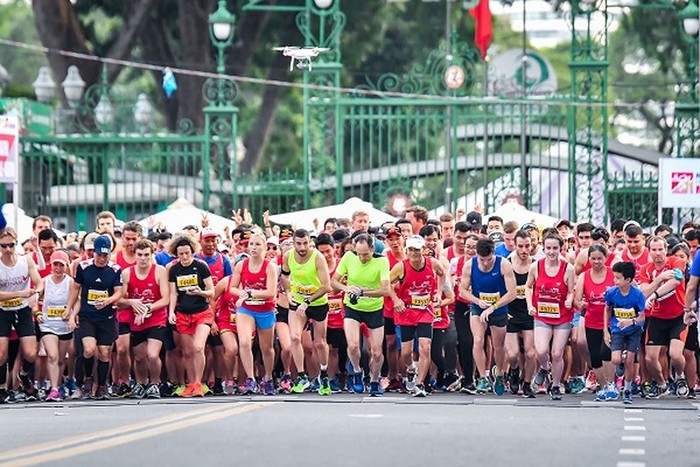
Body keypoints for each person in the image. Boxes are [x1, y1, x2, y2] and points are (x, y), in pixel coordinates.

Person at [331, 233, 390, 396]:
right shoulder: (349, 257)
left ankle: (374, 380)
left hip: (374, 308)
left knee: (376, 352)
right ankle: (357, 371)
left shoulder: (381, 261)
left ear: (372, 249)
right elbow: (333, 281)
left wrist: (363, 292)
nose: (362, 258)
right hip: (353, 307)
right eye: (359, 254)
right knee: (353, 345)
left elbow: (386, 290)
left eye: (366, 254)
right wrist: (347, 289)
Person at [67, 235, 123, 400]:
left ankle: (102, 386)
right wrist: (70, 311)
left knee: (104, 352)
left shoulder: (114, 269)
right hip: (87, 316)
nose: (101, 258)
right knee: (89, 349)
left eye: (105, 255)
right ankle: (88, 379)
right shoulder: (83, 267)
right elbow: (75, 290)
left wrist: (108, 300)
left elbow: (119, 291)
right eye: (99, 255)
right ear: (93, 253)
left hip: (106, 317)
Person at [390, 235, 446, 396]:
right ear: (406, 251)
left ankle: (420, 384)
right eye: (411, 250)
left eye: (418, 249)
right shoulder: (401, 267)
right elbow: (385, 284)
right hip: (407, 311)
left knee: (425, 348)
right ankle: (411, 368)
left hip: (425, 310)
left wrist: (439, 292)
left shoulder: (432, 263)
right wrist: (396, 299)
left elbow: (442, 274)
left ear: (424, 250)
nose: (414, 253)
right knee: (406, 352)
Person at [460, 238, 517, 395]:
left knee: (498, 345)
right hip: (479, 306)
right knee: (478, 340)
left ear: (494, 253)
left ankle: (499, 373)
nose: (485, 263)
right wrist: (478, 301)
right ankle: (483, 377)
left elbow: (512, 293)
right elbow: (462, 290)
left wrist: (494, 307)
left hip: (498, 307)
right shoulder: (470, 265)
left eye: (488, 259)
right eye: (482, 259)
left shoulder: (504, 264)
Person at [281, 229, 332, 395]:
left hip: (317, 302)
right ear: (294, 243)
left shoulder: (317, 257)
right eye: (298, 244)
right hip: (298, 300)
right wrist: (288, 293)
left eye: (305, 243)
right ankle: (302, 376)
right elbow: (285, 276)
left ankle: (324, 375)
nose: (302, 247)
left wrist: (307, 301)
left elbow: (326, 286)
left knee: (319, 343)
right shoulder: (288, 256)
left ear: (310, 242)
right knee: (294, 337)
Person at [526, 232, 576, 400]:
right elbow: (528, 287)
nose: (551, 252)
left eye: (555, 248)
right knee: (540, 350)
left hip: (562, 315)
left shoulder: (567, 268)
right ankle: (545, 368)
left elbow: (571, 291)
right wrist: (530, 305)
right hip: (542, 314)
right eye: (548, 248)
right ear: (543, 248)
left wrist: (569, 300)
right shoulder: (536, 266)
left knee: (556, 353)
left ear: (560, 249)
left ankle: (555, 385)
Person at [228, 233, 278, 395]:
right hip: (247, 308)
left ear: (264, 247)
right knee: (244, 342)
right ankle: (250, 379)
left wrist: (250, 293)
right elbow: (233, 288)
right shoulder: (241, 265)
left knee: (267, 348)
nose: (253, 247)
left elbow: (271, 292)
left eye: (257, 244)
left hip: (265, 309)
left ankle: (268, 378)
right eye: (251, 244)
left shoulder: (269, 266)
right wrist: (243, 293)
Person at [119, 239, 170, 399]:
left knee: (153, 355)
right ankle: (141, 383)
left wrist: (148, 308)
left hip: (156, 318)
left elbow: (166, 298)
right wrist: (131, 302)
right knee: (140, 357)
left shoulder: (159, 271)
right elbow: (119, 300)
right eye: (140, 255)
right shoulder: (127, 273)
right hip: (136, 320)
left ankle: (155, 383)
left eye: (146, 255)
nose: (143, 258)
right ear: (135, 255)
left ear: (152, 254)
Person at [639, 236, 688, 398]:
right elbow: (643, 292)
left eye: (661, 249)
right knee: (650, 358)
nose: (658, 253)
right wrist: (659, 279)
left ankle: (680, 377)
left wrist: (654, 295)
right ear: (649, 251)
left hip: (678, 316)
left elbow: (675, 282)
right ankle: (661, 384)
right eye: (654, 250)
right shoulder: (646, 269)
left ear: (665, 249)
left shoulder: (675, 262)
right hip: (657, 317)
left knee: (675, 354)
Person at [167, 235, 215, 398]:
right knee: (187, 352)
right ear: (176, 254)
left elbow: (212, 291)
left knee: (198, 347)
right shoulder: (174, 270)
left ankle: (198, 383)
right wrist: (171, 312)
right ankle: (191, 382)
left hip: (202, 312)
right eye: (181, 254)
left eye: (187, 253)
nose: (185, 257)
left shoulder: (201, 266)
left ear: (192, 252)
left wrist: (200, 292)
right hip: (183, 314)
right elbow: (173, 293)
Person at [574, 244, 616, 401]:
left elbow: (626, 290)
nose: (597, 262)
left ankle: (611, 384)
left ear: (605, 258)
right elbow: (577, 300)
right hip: (591, 321)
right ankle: (603, 386)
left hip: (610, 322)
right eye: (593, 259)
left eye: (600, 258)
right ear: (588, 259)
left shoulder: (613, 274)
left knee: (607, 352)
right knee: (595, 356)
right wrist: (581, 304)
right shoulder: (584, 276)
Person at [604, 261, 647, 404]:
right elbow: (607, 309)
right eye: (614, 277)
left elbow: (642, 316)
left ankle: (627, 389)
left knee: (630, 360)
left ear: (628, 280)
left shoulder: (638, 295)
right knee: (616, 359)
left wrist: (632, 321)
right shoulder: (611, 293)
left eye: (617, 278)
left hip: (634, 331)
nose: (614, 281)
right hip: (617, 330)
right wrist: (606, 329)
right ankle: (620, 365)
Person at [33, 250, 74, 402]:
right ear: (51, 265)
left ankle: (57, 384)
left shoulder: (70, 282)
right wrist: (36, 312)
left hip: (64, 325)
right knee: (52, 356)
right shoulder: (44, 281)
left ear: (66, 266)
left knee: (61, 360)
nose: (58, 268)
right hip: (48, 324)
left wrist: (71, 316)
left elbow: (77, 302)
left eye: (61, 265)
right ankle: (54, 389)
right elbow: (34, 299)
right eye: (55, 264)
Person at [111, 221, 143, 397]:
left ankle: (140, 382)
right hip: (122, 308)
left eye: (133, 239)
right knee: (122, 349)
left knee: (138, 352)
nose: (130, 242)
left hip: (140, 310)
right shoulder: (116, 259)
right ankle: (124, 381)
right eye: (127, 239)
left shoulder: (145, 256)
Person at [506, 230, 536, 398]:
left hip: (529, 313)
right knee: (512, 354)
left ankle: (527, 383)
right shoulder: (507, 264)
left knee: (531, 353)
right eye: (520, 246)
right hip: (511, 313)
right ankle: (514, 371)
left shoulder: (537, 265)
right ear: (514, 246)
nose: (524, 250)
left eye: (527, 246)